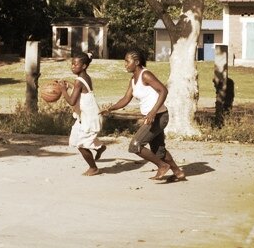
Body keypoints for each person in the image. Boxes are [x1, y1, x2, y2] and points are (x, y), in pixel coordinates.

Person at [101, 50, 186, 181]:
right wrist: (110, 108)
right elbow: (126, 98)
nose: (125, 64)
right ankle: (177, 172)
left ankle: (162, 166)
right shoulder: (133, 80)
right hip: (152, 116)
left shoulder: (145, 75)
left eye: (127, 61)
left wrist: (152, 112)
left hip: (158, 116)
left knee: (135, 145)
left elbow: (163, 90)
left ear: (136, 62)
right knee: (158, 150)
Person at [57, 52, 106, 176]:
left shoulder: (79, 80)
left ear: (84, 66)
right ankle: (99, 147)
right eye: (72, 64)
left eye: (75, 64)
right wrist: (69, 86)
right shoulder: (85, 77)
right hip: (85, 116)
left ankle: (93, 168)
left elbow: (72, 101)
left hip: (89, 117)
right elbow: (80, 89)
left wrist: (63, 90)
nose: (72, 66)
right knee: (76, 138)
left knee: (81, 144)